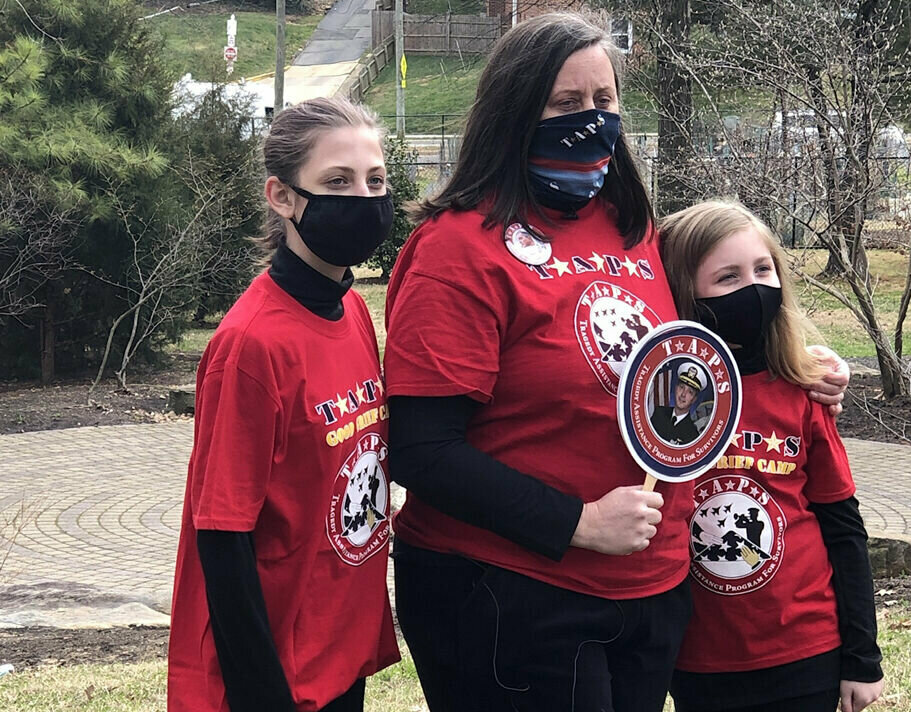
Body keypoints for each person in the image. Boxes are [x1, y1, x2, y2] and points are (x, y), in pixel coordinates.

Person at [383, 13, 849, 712]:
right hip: (512, 591)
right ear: (514, 111)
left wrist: (799, 363)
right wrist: (576, 523)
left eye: (605, 100)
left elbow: (695, 349)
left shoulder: (632, 229)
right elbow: (422, 451)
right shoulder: (457, 248)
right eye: (566, 103)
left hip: (650, 592)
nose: (592, 119)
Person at [167, 97, 400, 712]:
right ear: (282, 196)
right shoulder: (250, 346)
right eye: (337, 181)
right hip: (276, 677)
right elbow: (222, 538)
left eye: (375, 180)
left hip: (336, 652)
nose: (363, 198)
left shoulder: (353, 309)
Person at [659, 200, 884, 712]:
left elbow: (843, 528)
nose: (754, 288)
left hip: (806, 647)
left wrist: (862, 656)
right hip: (699, 657)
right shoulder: (659, 403)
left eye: (764, 270)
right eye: (728, 277)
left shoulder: (806, 391)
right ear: (684, 291)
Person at [651, 365, 705, 444]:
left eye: (690, 392)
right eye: (681, 387)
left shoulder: (692, 436)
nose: (683, 394)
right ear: (676, 388)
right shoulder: (659, 413)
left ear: (694, 399)